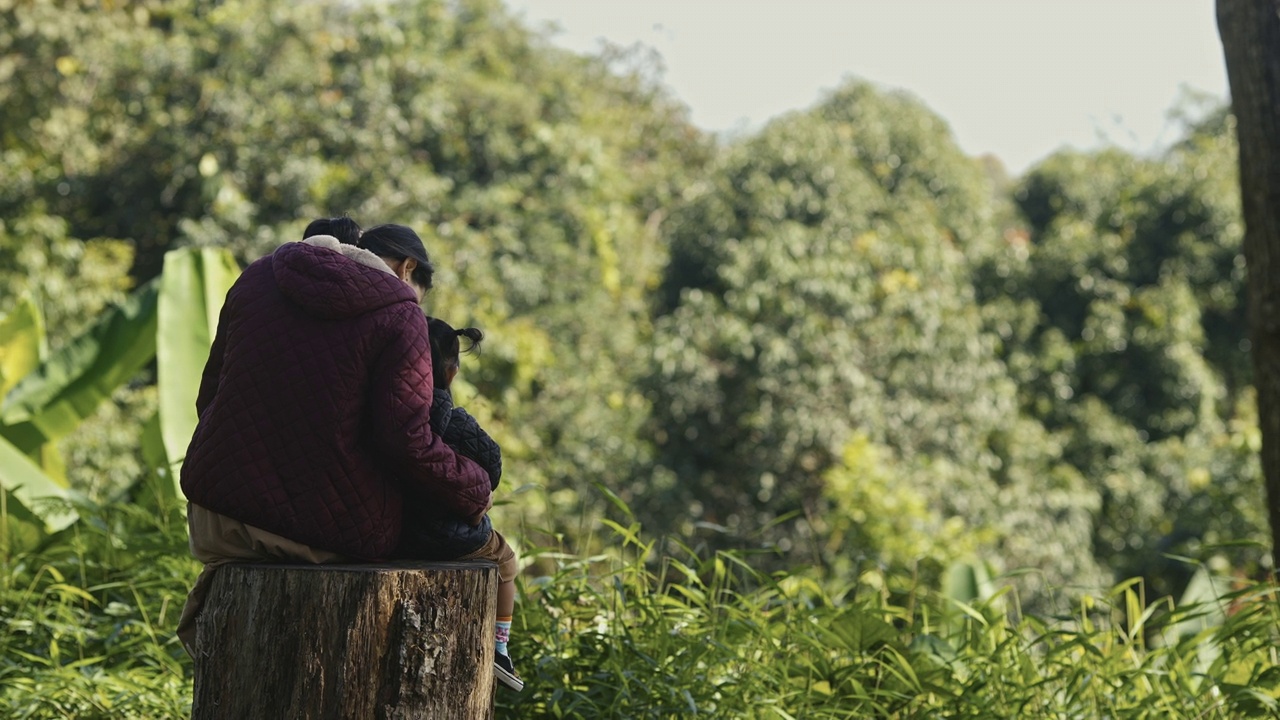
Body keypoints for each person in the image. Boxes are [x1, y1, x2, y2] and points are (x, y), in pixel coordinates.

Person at [176, 219, 492, 659]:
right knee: (480, 540)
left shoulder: (255, 278)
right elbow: (405, 441)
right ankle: (495, 650)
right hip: (326, 537)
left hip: (215, 520)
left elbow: (211, 396)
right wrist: (474, 487)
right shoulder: (401, 315)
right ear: (406, 268)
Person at [397, 317, 523, 692]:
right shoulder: (454, 420)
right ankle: (500, 647)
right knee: (506, 560)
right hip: (448, 535)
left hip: (391, 529)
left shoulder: (387, 409)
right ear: (451, 373)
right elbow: (493, 466)